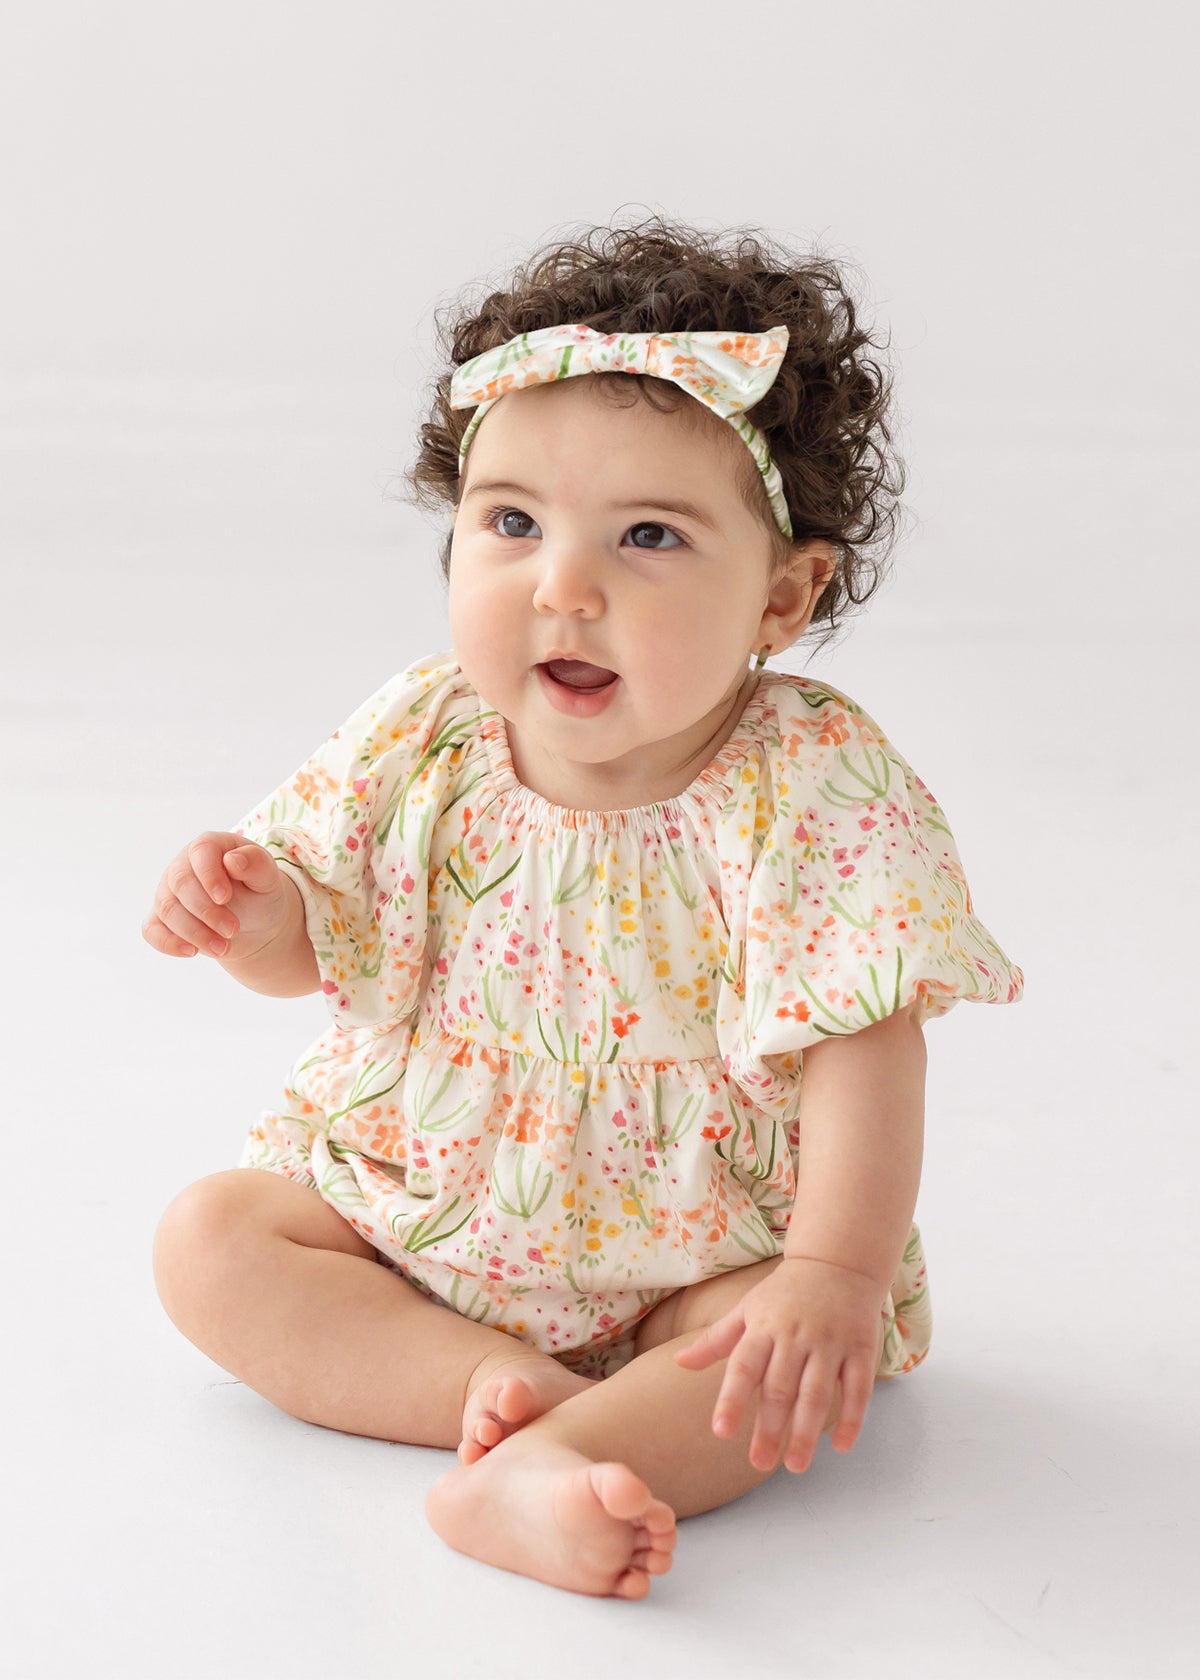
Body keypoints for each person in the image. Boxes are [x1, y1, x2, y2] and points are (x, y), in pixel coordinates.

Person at [146, 216, 1023, 1600]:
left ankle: (546, 1472)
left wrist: (834, 1276)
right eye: (511, 523)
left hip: (702, 1244)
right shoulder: (422, 732)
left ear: (782, 597)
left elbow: (868, 1038)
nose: (565, 585)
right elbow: (323, 945)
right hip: (426, 1214)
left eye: (650, 536)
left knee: (753, 1356)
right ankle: (496, 1391)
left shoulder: (808, 780)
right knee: (212, 1244)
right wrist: (252, 915)